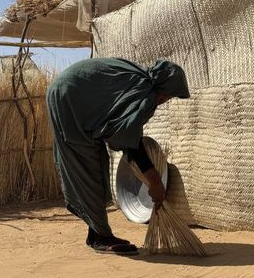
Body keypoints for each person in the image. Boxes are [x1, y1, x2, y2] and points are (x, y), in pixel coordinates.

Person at [46, 57, 190, 255]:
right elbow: (127, 140)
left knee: (97, 164)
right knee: (87, 168)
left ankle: (96, 233)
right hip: (69, 99)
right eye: (168, 96)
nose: (165, 100)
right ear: (163, 89)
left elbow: (124, 133)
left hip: (68, 93)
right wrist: (154, 179)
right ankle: (102, 237)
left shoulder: (140, 80)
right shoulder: (146, 94)